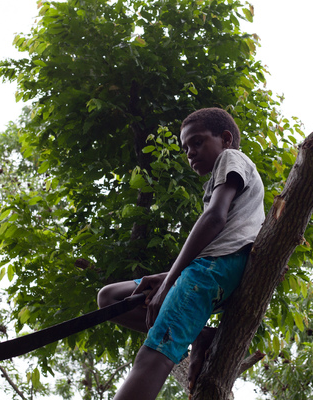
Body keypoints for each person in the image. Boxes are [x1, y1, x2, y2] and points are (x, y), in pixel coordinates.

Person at [97, 107, 265, 399]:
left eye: (197, 142)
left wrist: (171, 281)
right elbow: (220, 234)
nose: (190, 153)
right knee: (110, 298)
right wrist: (167, 277)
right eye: (185, 148)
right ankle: (198, 333)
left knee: (152, 355)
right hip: (211, 268)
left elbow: (214, 219)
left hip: (217, 269)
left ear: (225, 139)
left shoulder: (231, 158)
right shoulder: (218, 178)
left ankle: (186, 331)